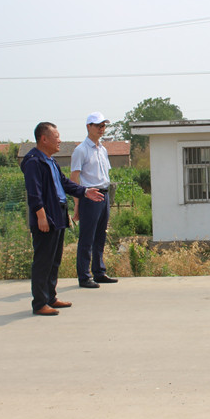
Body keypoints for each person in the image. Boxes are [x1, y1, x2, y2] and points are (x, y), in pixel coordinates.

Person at [21, 122, 104, 316]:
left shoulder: (51, 161)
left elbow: (65, 183)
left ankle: (51, 297)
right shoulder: (34, 162)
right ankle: (39, 303)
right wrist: (41, 216)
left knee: (54, 261)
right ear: (44, 139)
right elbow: (34, 193)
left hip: (58, 215)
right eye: (56, 137)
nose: (59, 140)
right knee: (43, 261)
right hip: (46, 217)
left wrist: (85, 191)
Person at [71, 112, 117, 288]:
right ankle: (84, 276)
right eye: (98, 125)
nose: (101, 129)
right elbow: (74, 178)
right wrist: (77, 202)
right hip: (90, 195)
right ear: (88, 127)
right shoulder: (81, 150)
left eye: (103, 126)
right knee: (87, 237)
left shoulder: (103, 150)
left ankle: (99, 272)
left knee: (100, 235)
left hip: (104, 194)